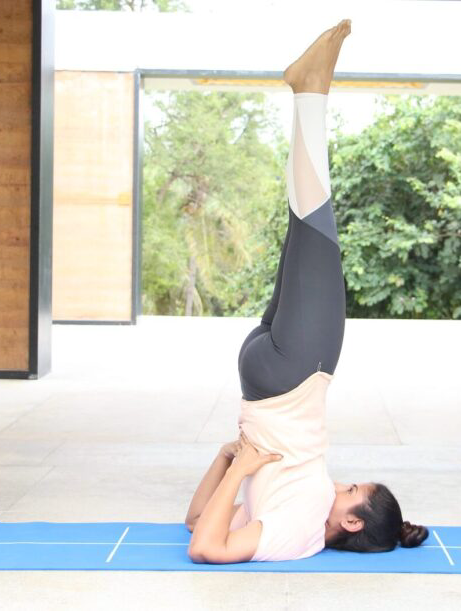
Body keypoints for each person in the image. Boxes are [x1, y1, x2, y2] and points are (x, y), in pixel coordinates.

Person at [183, 19, 429, 564]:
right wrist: (226, 463)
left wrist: (242, 468)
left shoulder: (299, 533)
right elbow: (198, 518)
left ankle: (311, 89)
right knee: (305, 226)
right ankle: (308, 90)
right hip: (267, 379)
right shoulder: (301, 506)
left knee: (318, 224)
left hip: (296, 373)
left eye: (350, 491)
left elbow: (204, 547)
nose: (340, 484)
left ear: (350, 520)